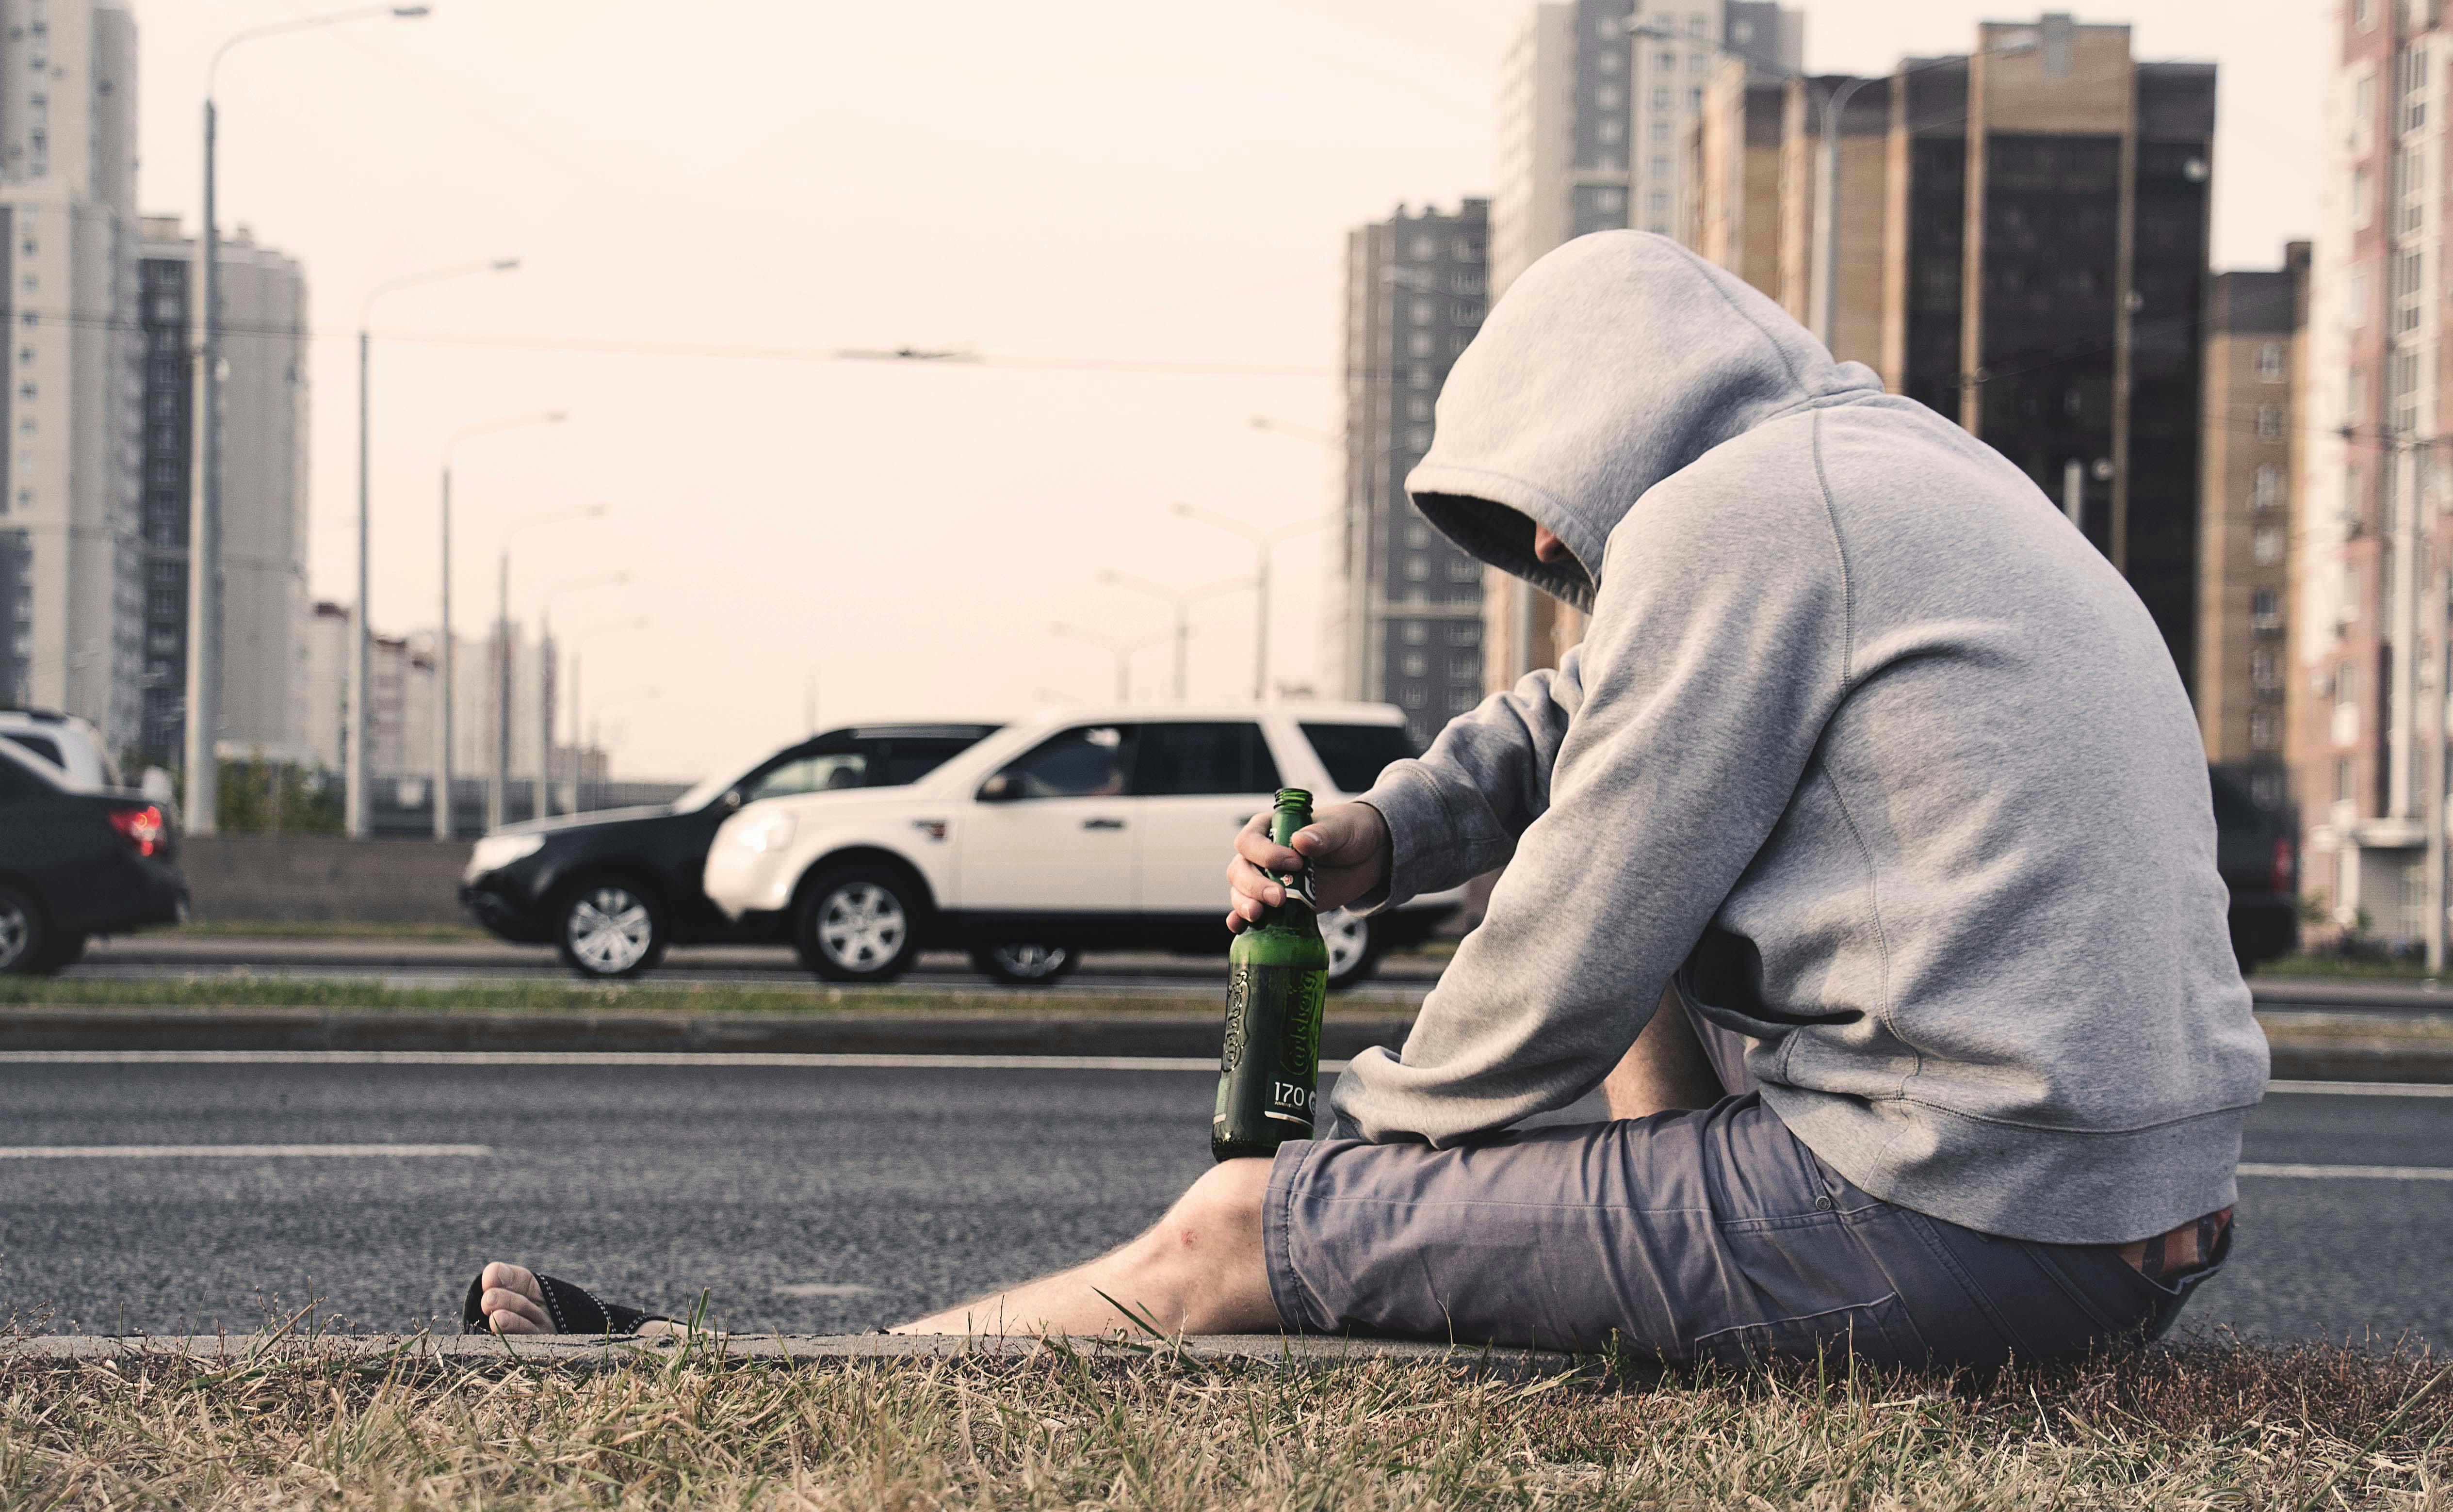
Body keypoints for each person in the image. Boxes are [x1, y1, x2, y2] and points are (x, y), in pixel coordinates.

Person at [471, 233, 2263, 1366]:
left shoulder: (1744, 519)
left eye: (1540, 517)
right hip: (2129, 1209)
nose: (1552, 556)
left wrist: (1345, 1148)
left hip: (1965, 1217)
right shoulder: (1887, 475)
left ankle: (751, 1380)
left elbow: (1574, 933)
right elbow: (1586, 717)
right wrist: (1389, 830)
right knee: (1540, 1027)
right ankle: (1532, 1222)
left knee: (1237, 1238)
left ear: (1601, 420)